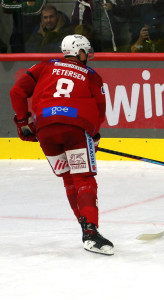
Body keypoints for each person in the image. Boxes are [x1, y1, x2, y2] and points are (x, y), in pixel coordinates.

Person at [10, 34, 114, 255]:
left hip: (46, 130)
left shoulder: (44, 66)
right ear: (80, 52)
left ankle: (85, 228)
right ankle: (90, 231)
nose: (88, 57)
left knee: (68, 179)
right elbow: (100, 111)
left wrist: (22, 121)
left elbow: (16, 92)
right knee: (83, 178)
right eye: (86, 52)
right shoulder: (92, 75)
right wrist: (93, 136)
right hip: (75, 129)